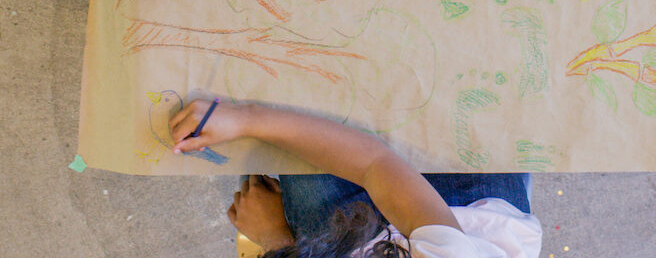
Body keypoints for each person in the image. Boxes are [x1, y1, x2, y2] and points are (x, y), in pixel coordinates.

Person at [170, 97, 540, 258]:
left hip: (362, 239)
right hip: (468, 207)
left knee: (300, 115)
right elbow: (374, 163)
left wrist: (278, 240)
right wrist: (246, 118)